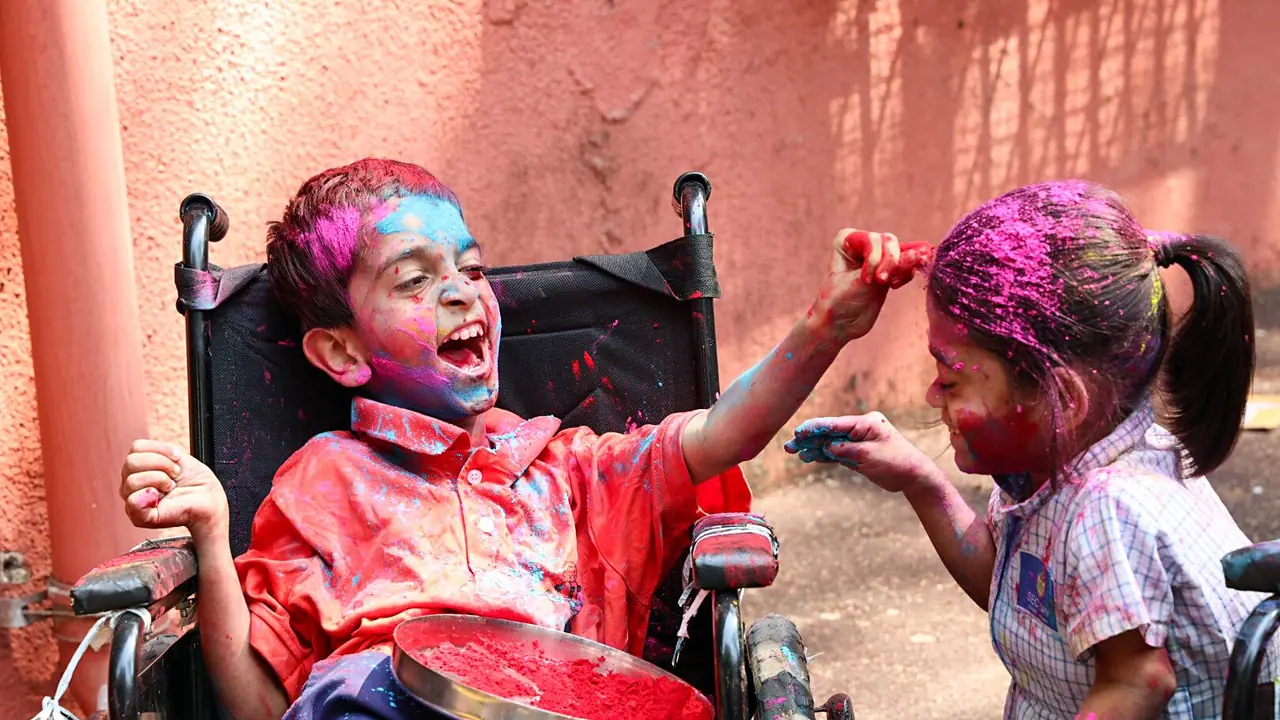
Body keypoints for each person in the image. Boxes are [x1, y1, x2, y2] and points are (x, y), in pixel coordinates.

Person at [118, 158, 929, 719]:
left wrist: (829, 325)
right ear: (341, 351)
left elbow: (724, 433)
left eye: (470, 269)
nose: (462, 293)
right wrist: (214, 536)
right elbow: (263, 707)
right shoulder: (321, 485)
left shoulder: (567, 469)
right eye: (414, 279)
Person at [787, 179, 1269, 719]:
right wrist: (918, 479)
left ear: (1061, 398)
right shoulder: (1053, 466)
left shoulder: (1108, 509)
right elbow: (1017, 589)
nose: (930, 395)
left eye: (950, 380)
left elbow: (1139, 680)